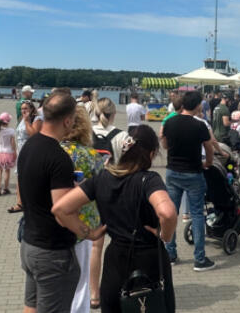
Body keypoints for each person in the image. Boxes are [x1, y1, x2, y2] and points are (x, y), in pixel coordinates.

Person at [53, 125, 177, 313]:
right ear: (151, 153)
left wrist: (88, 233)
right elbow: (167, 213)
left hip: (116, 261)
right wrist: (165, 235)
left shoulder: (102, 178)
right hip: (150, 259)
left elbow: (61, 208)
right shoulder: (149, 180)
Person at [18, 91, 92, 313]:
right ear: (67, 120)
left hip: (30, 243)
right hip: (52, 251)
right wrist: (87, 232)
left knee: (31, 306)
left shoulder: (30, 146)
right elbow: (62, 211)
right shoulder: (58, 158)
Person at [161, 90, 215, 271]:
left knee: (171, 214)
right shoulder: (199, 125)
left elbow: (165, 144)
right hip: (193, 172)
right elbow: (209, 147)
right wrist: (208, 163)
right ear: (198, 106)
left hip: (173, 172)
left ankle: (170, 254)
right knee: (197, 214)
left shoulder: (169, 122)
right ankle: (199, 258)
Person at [61, 108, 107, 312]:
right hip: (85, 224)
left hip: (54, 222)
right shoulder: (91, 155)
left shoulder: (53, 150)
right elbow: (102, 189)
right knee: (80, 281)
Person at [8, 100, 41, 213]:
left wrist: (27, 121)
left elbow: (34, 134)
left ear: (31, 109)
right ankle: (20, 203)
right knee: (19, 177)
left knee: (31, 178)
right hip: (21, 151)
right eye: (22, 109)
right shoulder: (21, 119)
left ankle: (32, 202)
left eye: (26, 108)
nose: (23, 111)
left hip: (31, 151)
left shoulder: (36, 119)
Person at [93, 98, 130, 164]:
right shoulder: (123, 135)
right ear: (113, 113)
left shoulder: (86, 133)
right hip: (112, 170)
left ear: (96, 113)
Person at [0, 112, 16, 196]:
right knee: (7, 170)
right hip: (8, 152)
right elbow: (13, 143)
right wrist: (15, 152)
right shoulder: (11, 131)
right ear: (8, 121)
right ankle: (5, 188)